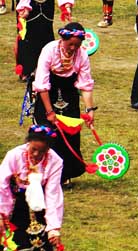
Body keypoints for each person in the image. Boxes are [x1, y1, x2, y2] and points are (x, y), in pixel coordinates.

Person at [31, 23, 95, 187]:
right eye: (70, 44)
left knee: (69, 134)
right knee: (47, 133)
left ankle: (65, 174)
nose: (73, 48)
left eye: (77, 45)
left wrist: (89, 110)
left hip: (69, 94)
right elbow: (42, 84)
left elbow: (85, 85)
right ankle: (43, 173)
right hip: (47, 95)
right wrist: (49, 112)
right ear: (62, 39)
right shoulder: (49, 51)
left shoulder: (82, 55)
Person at [0, 125, 64, 250]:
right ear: (28, 142)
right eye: (33, 149)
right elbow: (2, 186)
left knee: (40, 243)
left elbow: (53, 194)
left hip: (41, 206)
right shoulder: (14, 155)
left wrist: (53, 228)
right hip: (14, 205)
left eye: (42, 151)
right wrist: (1, 214)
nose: (36, 154)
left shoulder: (55, 161)